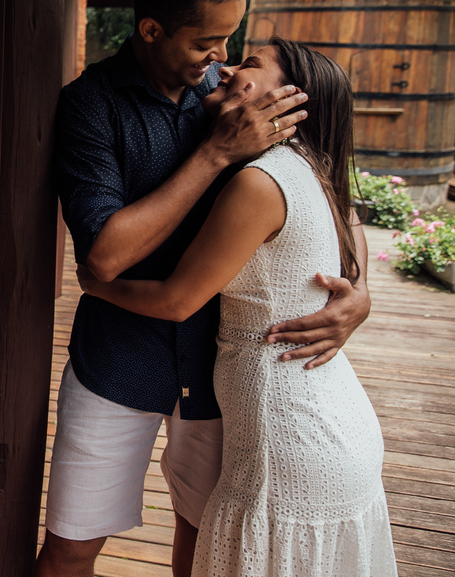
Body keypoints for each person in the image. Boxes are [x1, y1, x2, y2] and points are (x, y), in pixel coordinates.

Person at [35, 0, 370, 577]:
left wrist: (360, 291)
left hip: (223, 375)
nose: (220, 61)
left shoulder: (233, 94)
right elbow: (104, 255)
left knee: (207, 538)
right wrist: (216, 155)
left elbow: (326, 176)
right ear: (151, 30)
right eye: (206, 43)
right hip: (117, 360)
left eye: (230, 42)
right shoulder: (90, 105)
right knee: (70, 548)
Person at [77, 37, 396, 576]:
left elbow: (178, 299)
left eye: (248, 63)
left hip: (289, 436)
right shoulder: (305, 165)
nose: (223, 66)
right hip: (332, 419)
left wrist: (94, 281)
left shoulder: (260, 181)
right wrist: (357, 287)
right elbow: (346, 210)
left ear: (292, 100)